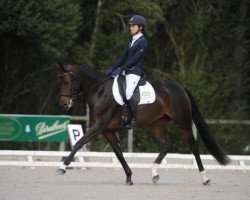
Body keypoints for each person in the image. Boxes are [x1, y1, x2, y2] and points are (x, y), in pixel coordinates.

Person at [106, 15, 148, 129]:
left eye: (133, 26)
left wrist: (122, 69)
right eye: (130, 26)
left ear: (140, 27)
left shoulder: (143, 42)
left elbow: (135, 60)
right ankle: (120, 116)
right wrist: (113, 68)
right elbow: (122, 57)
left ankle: (133, 119)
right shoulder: (131, 41)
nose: (130, 28)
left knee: (128, 92)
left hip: (134, 72)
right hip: (125, 71)